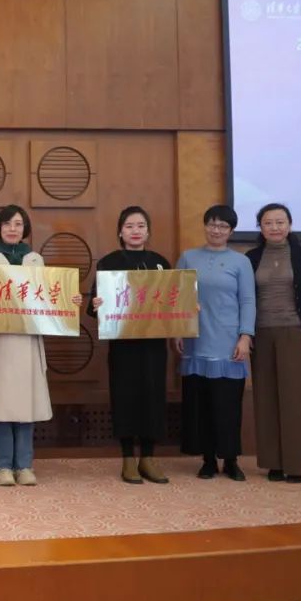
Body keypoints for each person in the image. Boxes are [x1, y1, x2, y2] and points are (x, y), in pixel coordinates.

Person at [0, 205, 82, 487]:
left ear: (25, 229)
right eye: (7, 224)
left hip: (28, 341)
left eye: (18, 224)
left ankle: (24, 465)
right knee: (0, 405)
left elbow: (47, 300)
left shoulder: (35, 260)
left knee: (26, 402)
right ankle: (1, 466)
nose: (12, 229)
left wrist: (69, 301)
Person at [88, 206, 172, 484]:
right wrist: (96, 304)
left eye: (141, 226)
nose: (135, 231)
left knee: (153, 397)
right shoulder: (108, 263)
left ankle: (148, 458)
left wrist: (186, 307)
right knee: (125, 397)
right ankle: (127, 459)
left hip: (153, 346)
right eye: (129, 226)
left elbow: (171, 302)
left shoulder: (161, 263)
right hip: (123, 345)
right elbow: (94, 308)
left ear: (148, 231)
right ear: (120, 232)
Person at [175, 205, 256, 481]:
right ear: (205, 226)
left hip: (228, 341)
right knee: (201, 404)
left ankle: (231, 460)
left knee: (228, 405)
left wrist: (245, 336)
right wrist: (177, 331)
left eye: (223, 226)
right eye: (212, 224)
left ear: (231, 231)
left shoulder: (240, 262)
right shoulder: (188, 257)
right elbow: (176, 296)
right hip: (195, 339)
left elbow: (247, 300)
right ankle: (208, 459)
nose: (216, 230)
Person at [245, 203, 301, 483]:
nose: (275, 227)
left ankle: (295, 464)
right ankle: (273, 463)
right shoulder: (252, 257)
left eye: (280, 222)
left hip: (293, 332)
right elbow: (246, 296)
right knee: (265, 398)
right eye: (268, 223)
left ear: (289, 225)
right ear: (260, 227)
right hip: (261, 333)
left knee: (294, 399)